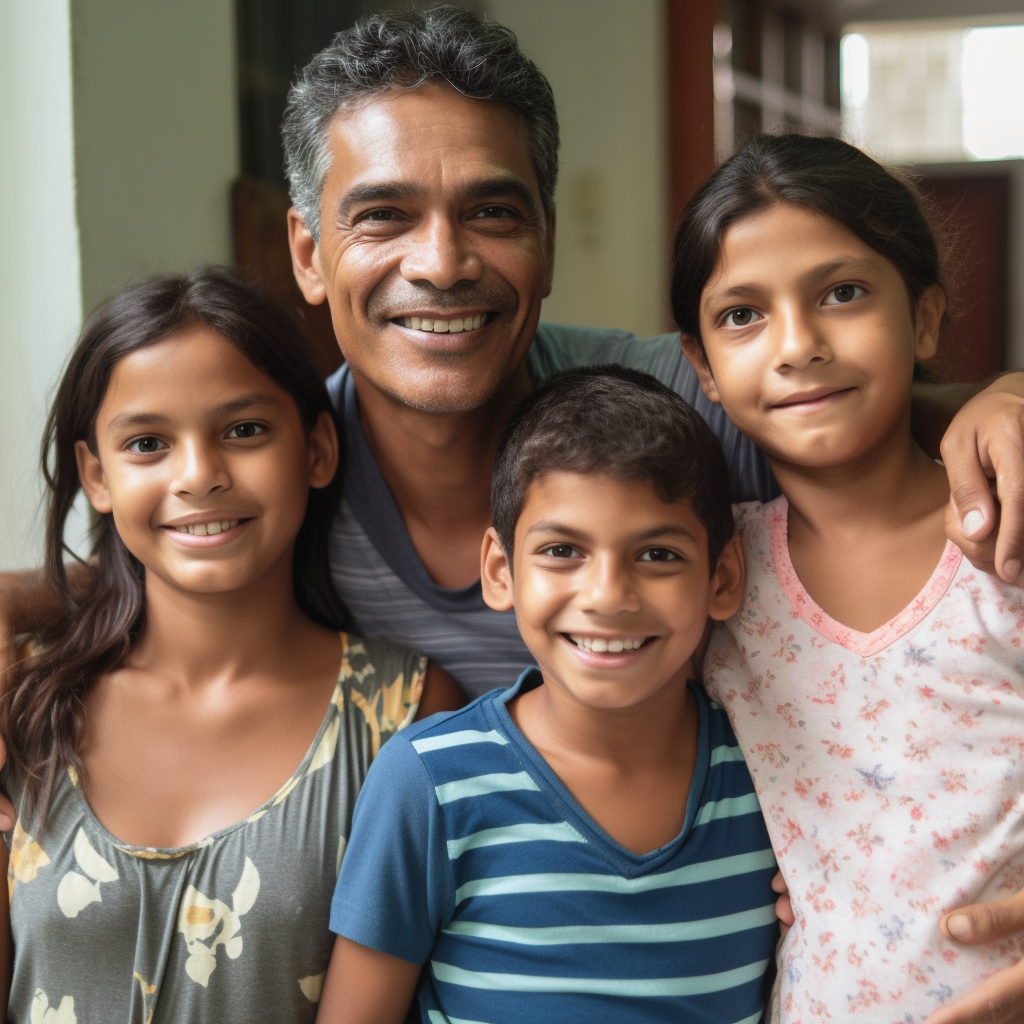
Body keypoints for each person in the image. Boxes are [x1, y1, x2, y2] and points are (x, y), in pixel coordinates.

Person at [1, 6, 1023, 1015]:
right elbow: (170, 569)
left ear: (544, 235)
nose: (441, 262)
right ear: (308, 255)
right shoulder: (274, 465)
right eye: (383, 215)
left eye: (491, 212)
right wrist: (30, 605)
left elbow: (842, 410)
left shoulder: (666, 410)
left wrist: (999, 401)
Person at [0, 268, 461, 1021]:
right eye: (148, 443)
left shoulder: (404, 715)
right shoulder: (27, 710)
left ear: (316, 450)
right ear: (97, 475)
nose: (199, 475)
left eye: (244, 431)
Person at [672, 133, 1024, 1024]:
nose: (798, 345)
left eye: (843, 293)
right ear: (703, 368)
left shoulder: (1007, 539)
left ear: (928, 319)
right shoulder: (716, 581)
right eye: (742, 315)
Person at [317, 366, 779, 1024]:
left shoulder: (768, 775)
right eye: (563, 550)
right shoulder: (430, 784)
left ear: (723, 576)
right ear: (501, 572)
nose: (607, 596)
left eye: (658, 555)